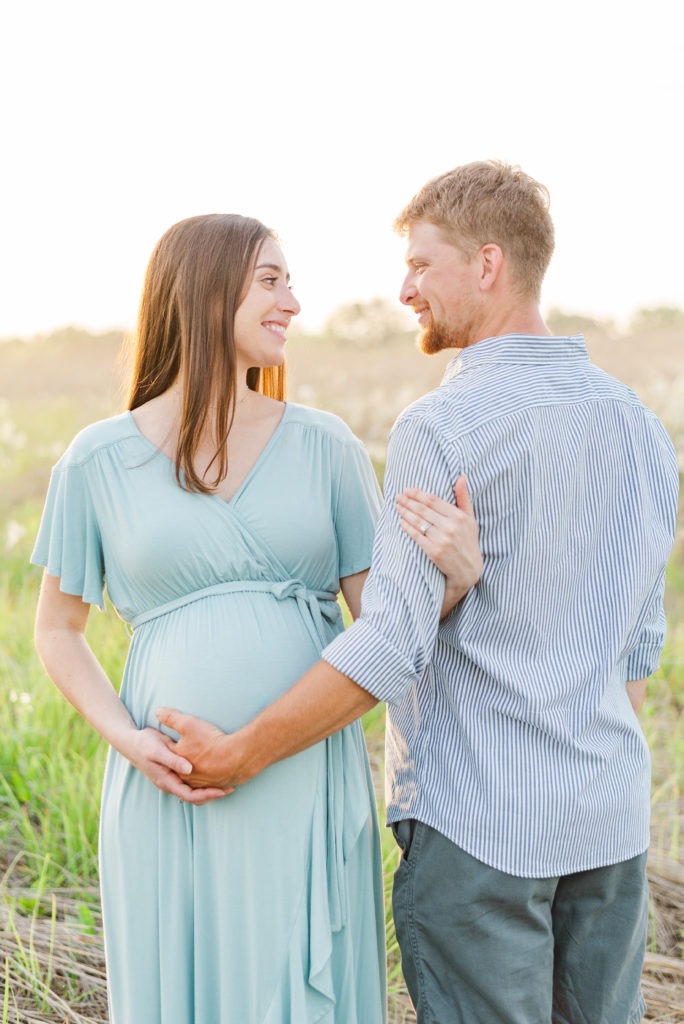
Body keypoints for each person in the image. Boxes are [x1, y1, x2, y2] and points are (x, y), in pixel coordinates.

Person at [158, 165, 680, 1024]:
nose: (404, 290)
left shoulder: (445, 426)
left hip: (480, 834)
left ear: (486, 265)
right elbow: (635, 646)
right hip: (612, 827)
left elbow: (391, 643)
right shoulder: (639, 426)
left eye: (421, 265)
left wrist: (243, 751)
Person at [31, 213, 481, 1024]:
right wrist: (129, 742)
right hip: (168, 785)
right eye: (271, 281)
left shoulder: (326, 447)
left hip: (301, 772)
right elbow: (56, 631)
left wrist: (454, 580)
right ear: (204, 291)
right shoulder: (96, 459)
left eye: (290, 282)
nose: (294, 304)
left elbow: (387, 622)